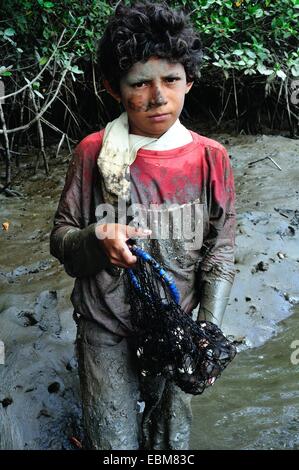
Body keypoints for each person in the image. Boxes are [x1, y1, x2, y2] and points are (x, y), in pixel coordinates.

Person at [50, 1, 236, 450]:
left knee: (172, 441)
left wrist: (203, 335)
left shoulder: (211, 157)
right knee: (114, 443)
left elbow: (222, 247)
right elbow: (61, 240)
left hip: (176, 327)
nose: (158, 96)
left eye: (171, 79)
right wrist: (96, 240)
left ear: (189, 80)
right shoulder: (92, 153)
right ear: (114, 88)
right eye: (139, 83)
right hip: (105, 325)